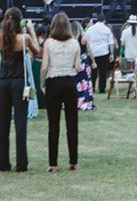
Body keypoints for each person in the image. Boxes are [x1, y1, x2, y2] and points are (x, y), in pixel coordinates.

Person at [0, 7, 41, 172]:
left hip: (2, 82)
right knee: (20, 123)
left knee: (2, 124)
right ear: (20, 21)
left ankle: (3, 164)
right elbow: (38, 52)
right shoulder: (24, 38)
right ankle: (21, 163)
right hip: (19, 82)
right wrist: (32, 30)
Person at [40, 13, 81, 173]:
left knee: (53, 125)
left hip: (53, 82)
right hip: (70, 82)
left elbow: (44, 67)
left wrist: (42, 85)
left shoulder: (48, 43)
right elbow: (77, 67)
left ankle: (53, 164)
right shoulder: (75, 43)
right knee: (72, 124)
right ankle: (73, 161)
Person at [84, 15, 115, 95]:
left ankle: (92, 88)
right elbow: (111, 43)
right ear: (104, 21)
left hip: (92, 53)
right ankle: (102, 89)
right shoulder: (107, 29)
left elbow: (85, 40)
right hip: (103, 52)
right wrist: (112, 54)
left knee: (92, 72)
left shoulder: (90, 29)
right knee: (103, 72)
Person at [71, 21, 96, 111]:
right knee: (86, 82)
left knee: (75, 81)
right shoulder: (84, 39)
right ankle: (86, 101)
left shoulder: (70, 39)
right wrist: (93, 61)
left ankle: (75, 101)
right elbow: (89, 51)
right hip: (83, 61)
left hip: (73, 61)